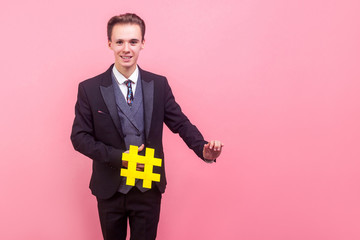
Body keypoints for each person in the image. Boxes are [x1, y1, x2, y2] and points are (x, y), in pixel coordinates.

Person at [71, 13, 224, 240]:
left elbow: (180, 122)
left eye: (133, 41)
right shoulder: (90, 88)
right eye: (120, 41)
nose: (126, 48)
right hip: (110, 188)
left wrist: (202, 148)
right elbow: (79, 137)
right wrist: (119, 158)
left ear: (143, 43)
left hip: (148, 186)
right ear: (109, 43)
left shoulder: (158, 84)